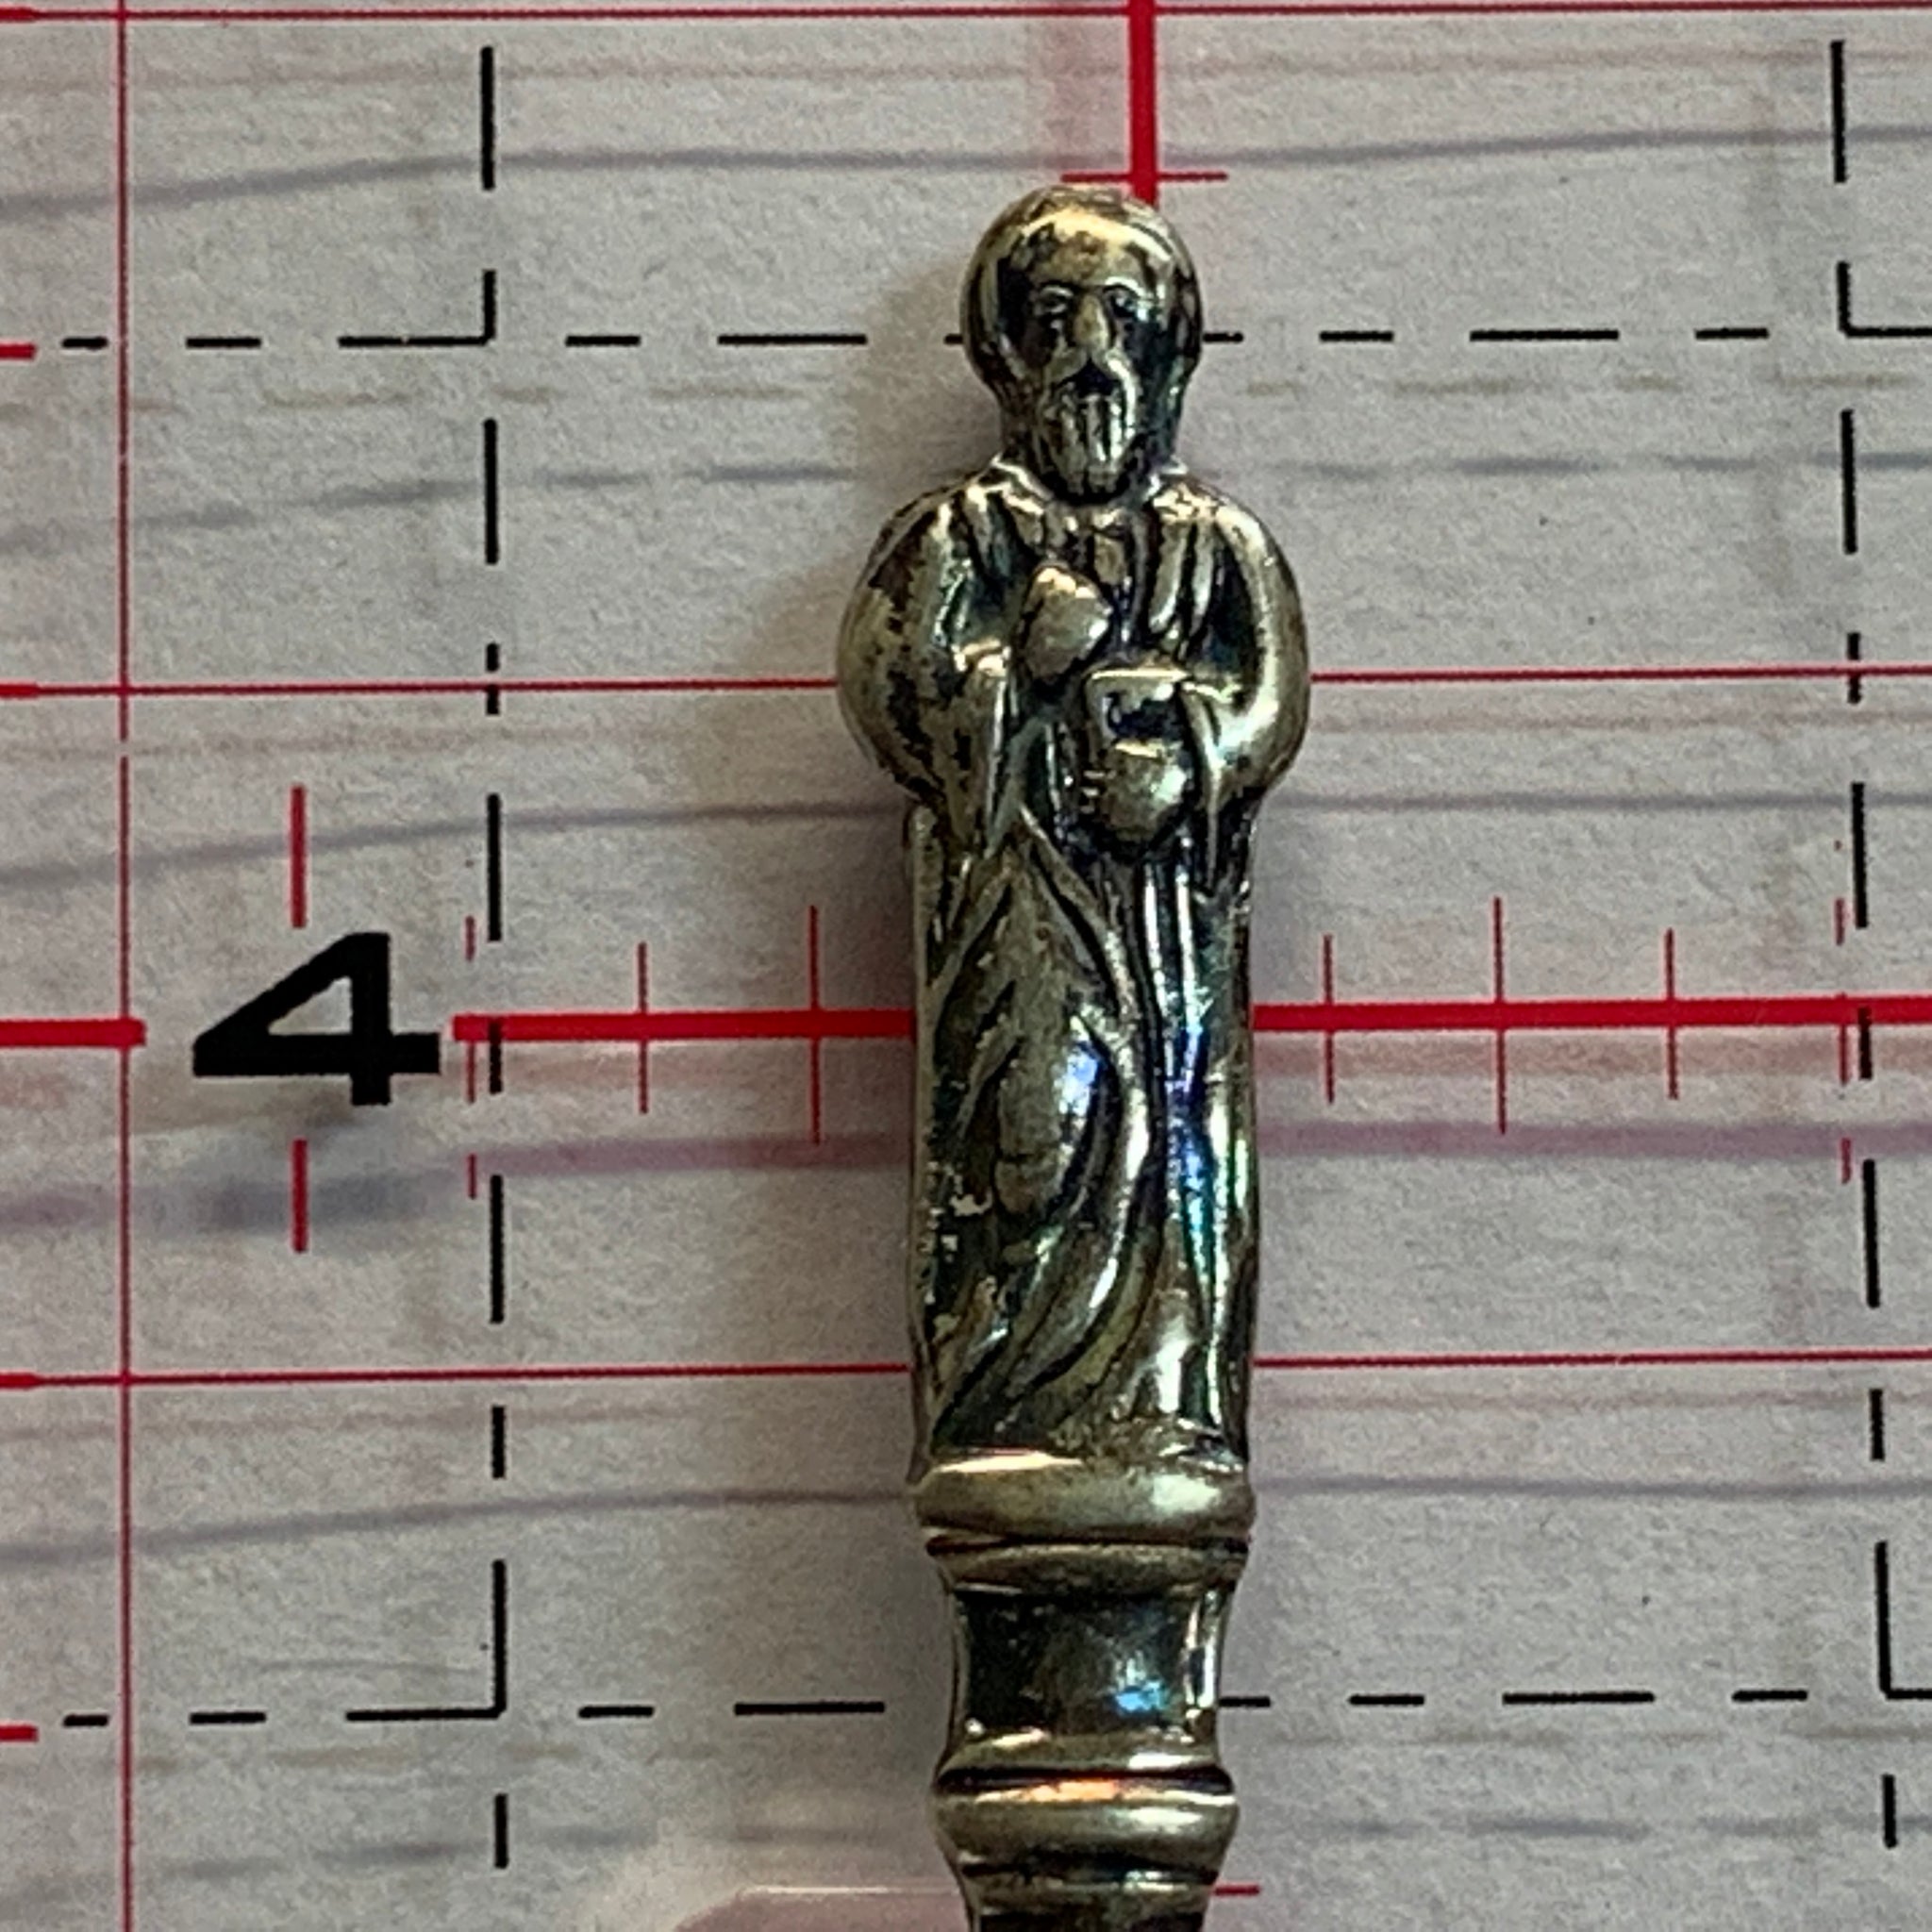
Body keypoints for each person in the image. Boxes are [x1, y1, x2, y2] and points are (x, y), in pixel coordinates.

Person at [839, 184, 1309, 1480]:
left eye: (1122, 321)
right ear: (1008, 355)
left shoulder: (1219, 547)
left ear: (1167, 353)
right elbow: (889, 694)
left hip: (1165, 946)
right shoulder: (957, 538)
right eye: (1055, 322)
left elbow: (1270, 704)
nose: (1092, 356)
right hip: (1017, 927)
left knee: (1168, 1169)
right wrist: (1022, 667)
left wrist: (1187, 767)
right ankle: (1005, 1424)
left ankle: (1161, 1417)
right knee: (1026, 1152)